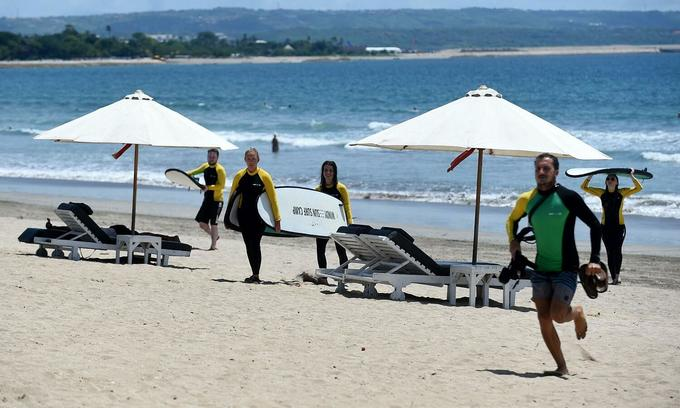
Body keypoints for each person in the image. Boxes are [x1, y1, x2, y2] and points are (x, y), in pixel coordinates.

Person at [506, 153, 603, 377]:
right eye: (538, 169)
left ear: (556, 172)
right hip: (540, 268)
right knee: (543, 318)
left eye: (546, 169)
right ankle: (561, 366)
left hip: (566, 268)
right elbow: (512, 219)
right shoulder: (527, 199)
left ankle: (577, 312)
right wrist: (513, 241)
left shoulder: (568, 197)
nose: (541, 172)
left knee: (559, 315)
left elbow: (595, 226)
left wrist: (595, 259)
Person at [580, 170, 642, 285]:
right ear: (605, 181)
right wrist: (590, 176)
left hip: (619, 228)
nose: (610, 180)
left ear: (617, 182)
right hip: (605, 228)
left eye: (613, 179)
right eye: (608, 178)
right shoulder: (601, 193)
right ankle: (613, 277)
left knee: (617, 250)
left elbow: (639, 188)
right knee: (609, 252)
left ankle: (617, 276)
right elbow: (583, 187)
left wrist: (631, 176)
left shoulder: (622, 193)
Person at [229, 148, 280, 283]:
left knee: (255, 244)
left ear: (258, 159)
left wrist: (277, 219)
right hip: (243, 215)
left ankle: (256, 275)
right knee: (248, 244)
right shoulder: (239, 176)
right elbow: (232, 197)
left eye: (253, 158)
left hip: (259, 217)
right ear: (245, 160)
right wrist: (229, 218)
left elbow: (273, 198)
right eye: (249, 158)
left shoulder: (264, 176)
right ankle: (254, 274)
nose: (251, 160)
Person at [315, 161, 353, 283]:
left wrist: (349, 224)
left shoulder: (341, 188)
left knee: (341, 252)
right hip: (323, 225)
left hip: (338, 225)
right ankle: (323, 278)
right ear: (322, 172)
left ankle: (343, 278)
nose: (328, 173)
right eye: (326, 170)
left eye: (330, 170)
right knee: (320, 251)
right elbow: (314, 209)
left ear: (334, 172)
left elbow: (347, 207)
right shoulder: (318, 189)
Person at [187, 148, 226, 250]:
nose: (211, 158)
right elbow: (194, 172)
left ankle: (213, 246)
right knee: (202, 224)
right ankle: (215, 236)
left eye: (213, 157)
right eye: (209, 156)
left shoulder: (220, 169)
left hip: (217, 200)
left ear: (217, 157)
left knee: (214, 223)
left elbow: (221, 186)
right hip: (207, 199)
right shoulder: (205, 166)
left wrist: (209, 187)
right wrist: (183, 175)